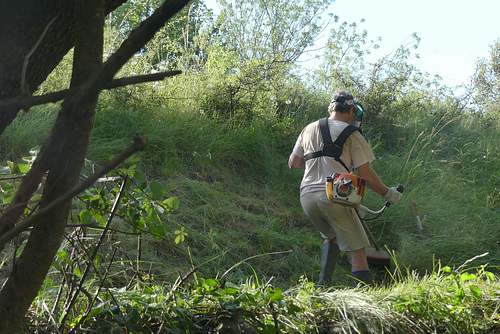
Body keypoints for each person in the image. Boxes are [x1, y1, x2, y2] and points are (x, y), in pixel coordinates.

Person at [288, 90, 402, 287]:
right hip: (335, 196)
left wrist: (320, 161)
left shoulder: (308, 128)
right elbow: (365, 174)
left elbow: (294, 163)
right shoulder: (352, 134)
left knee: (331, 237)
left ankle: (322, 288)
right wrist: (388, 193)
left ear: (331, 108)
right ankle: (362, 299)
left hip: (306, 196)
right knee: (357, 250)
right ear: (351, 111)